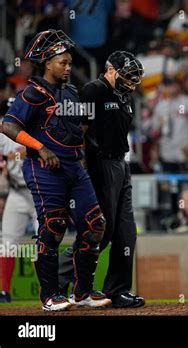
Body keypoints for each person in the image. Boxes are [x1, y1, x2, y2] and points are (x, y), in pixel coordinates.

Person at [2, 29, 110, 311]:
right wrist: (40, 147)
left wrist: (82, 153)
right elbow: (9, 126)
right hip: (44, 169)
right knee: (53, 227)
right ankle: (50, 296)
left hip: (75, 169)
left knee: (95, 224)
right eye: (62, 62)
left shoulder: (72, 91)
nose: (68, 67)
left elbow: (81, 126)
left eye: (70, 63)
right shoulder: (31, 93)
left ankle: (83, 292)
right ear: (47, 63)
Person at [58, 51, 145, 308]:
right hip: (99, 164)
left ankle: (117, 290)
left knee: (127, 233)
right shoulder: (93, 91)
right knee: (100, 232)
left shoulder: (124, 96)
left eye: (133, 77)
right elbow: (79, 132)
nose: (130, 81)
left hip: (122, 163)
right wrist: (80, 168)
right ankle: (56, 277)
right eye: (126, 75)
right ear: (110, 70)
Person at [0, 99, 37, 303]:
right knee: (7, 243)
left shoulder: (34, 126)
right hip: (16, 191)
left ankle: (50, 291)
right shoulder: (3, 133)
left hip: (38, 191)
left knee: (44, 241)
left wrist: (17, 154)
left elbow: (37, 148)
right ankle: (5, 291)